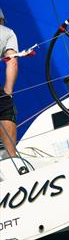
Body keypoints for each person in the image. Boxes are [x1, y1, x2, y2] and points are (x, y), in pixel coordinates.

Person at [0, 9, 19, 157]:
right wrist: (8, 92)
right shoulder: (7, 32)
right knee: (6, 109)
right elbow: (12, 61)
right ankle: (9, 155)